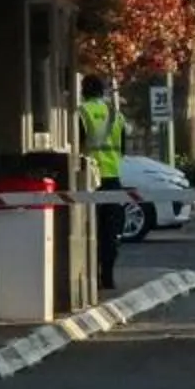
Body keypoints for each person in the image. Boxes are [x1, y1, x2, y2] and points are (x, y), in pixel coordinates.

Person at [80, 77, 129, 294]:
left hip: (91, 178)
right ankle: (108, 277)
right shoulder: (116, 115)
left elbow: (79, 144)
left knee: (91, 231)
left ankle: (90, 277)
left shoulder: (82, 112)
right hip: (113, 178)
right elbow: (123, 148)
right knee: (110, 233)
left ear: (83, 91)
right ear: (102, 92)